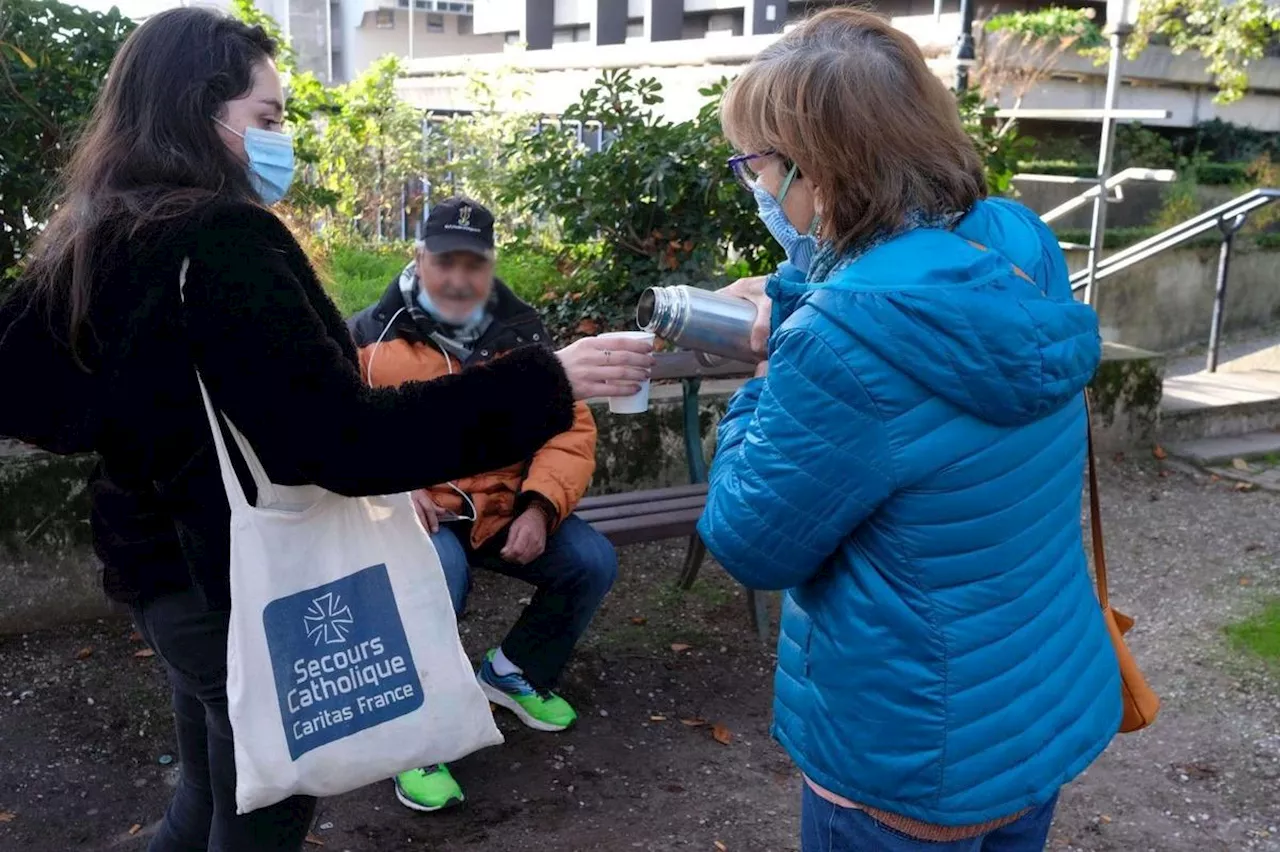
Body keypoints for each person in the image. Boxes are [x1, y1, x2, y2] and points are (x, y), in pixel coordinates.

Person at [0, 9, 651, 852]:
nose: (281, 140)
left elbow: (30, 396)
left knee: (210, 795)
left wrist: (161, 430)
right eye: (266, 119)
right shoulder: (222, 240)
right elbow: (344, 443)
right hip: (238, 579)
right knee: (267, 809)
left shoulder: (101, 233)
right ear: (201, 115)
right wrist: (547, 380)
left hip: (158, 572)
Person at [698, 8, 1121, 852]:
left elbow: (748, 541)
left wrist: (769, 368)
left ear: (817, 169)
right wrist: (793, 288)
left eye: (754, 163)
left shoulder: (834, 347)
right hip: (1030, 706)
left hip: (906, 744)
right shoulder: (1016, 243)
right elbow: (893, 271)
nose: (752, 182)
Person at [347, 197, 617, 812]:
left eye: (475, 262)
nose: (460, 278)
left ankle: (512, 670)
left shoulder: (523, 334)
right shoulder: (367, 337)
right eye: (446, 261)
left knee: (590, 560)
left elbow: (569, 428)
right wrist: (393, 482)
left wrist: (540, 507)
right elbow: (346, 435)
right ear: (418, 258)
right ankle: (414, 736)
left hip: (503, 507)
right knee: (438, 575)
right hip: (424, 513)